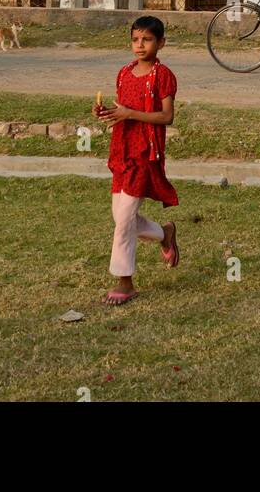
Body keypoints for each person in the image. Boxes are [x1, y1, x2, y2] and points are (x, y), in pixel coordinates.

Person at [96, 15, 179, 306]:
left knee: (124, 221)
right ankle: (165, 233)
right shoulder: (123, 73)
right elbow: (123, 110)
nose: (140, 45)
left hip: (145, 153)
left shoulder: (163, 76)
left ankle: (125, 281)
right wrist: (109, 113)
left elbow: (166, 117)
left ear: (161, 43)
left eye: (147, 40)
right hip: (121, 151)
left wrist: (130, 114)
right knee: (121, 217)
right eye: (135, 39)